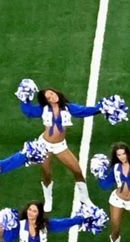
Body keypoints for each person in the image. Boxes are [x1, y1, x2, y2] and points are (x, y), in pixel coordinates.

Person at [17, 81, 123, 212]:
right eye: (48, 97)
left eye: (52, 94)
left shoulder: (68, 108)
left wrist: (101, 108)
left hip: (60, 146)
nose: (52, 97)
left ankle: (85, 199)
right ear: (46, 101)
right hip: (44, 145)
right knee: (46, 173)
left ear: (56, 92)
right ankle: (48, 200)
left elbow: (84, 111)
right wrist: (24, 99)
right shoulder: (43, 109)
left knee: (77, 171)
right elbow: (28, 112)